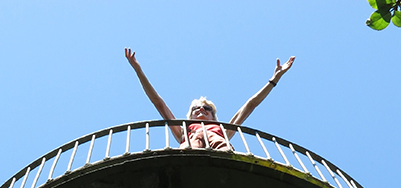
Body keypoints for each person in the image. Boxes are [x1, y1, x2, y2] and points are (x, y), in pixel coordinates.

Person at [125, 48, 295, 150]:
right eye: (196, 109)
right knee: (189, 145)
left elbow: (250, 105)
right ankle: (183, 163)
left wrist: (273, 80)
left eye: (207, 109)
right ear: (189, 116)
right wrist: (138, 70)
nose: (201, 110)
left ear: (213, 116)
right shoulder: (184, 129)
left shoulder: (222, 129)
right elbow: (158, 103)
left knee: (220, 144)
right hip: (190, 146)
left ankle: (226, 163)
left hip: (218, 146)